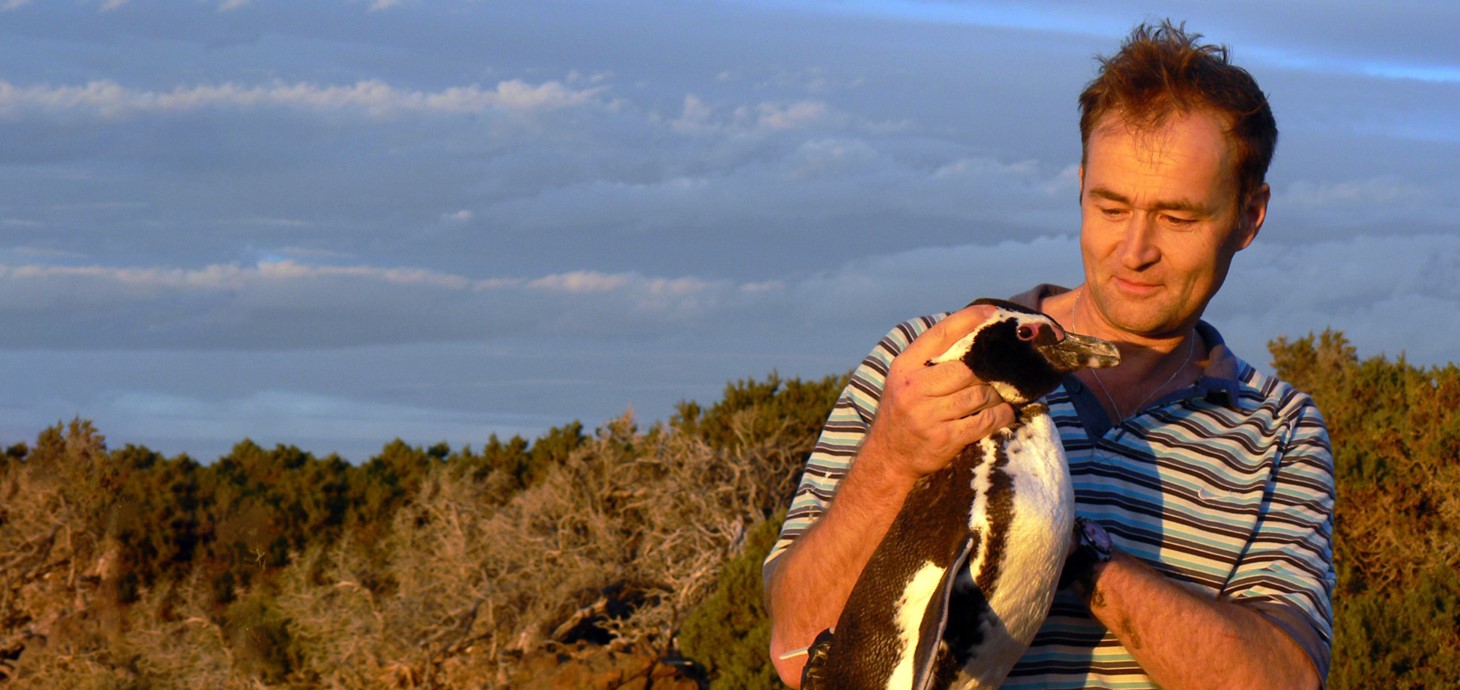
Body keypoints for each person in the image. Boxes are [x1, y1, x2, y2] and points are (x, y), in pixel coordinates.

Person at [762, 20, 1335, 689]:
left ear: (1249, 215)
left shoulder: (1278, 431)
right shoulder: (928, 363)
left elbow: (1282, 682)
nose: (1136, 250)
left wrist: (1067, 548)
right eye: (1112, 207)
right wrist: (892, 458)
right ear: (1081, 183)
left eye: (1178, 218)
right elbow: (797, 635)